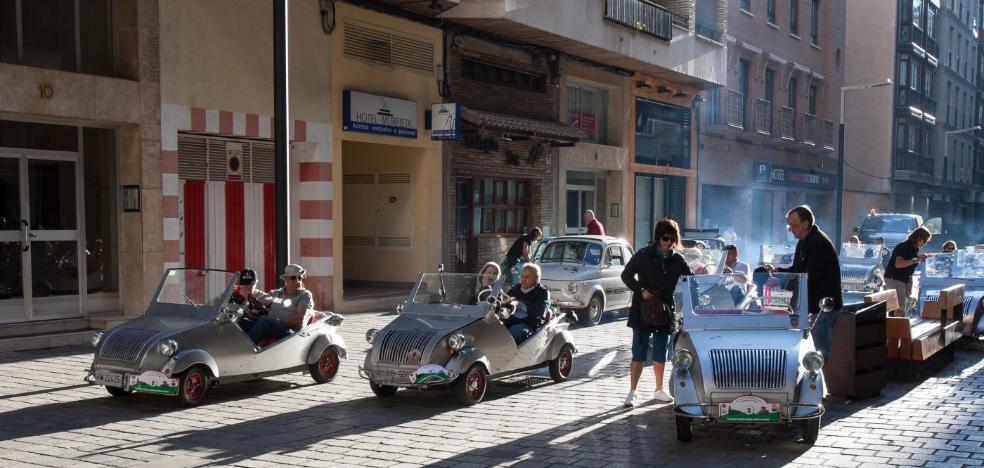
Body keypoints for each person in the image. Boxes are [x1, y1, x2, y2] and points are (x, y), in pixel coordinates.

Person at [621, 219, 693, 407]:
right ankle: (632, 392)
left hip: (665, 312)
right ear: (657, 237)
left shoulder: (678, 260)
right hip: (642, 311)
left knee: (661, 352)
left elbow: (691, 281)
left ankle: (659, 390)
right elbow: (626, 275)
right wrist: (641, 289)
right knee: (638, 352)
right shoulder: (643, 255)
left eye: (672, 239)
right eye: (665, 238)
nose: (668, 242)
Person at [764, 206, 842, 360]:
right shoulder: (803, 242)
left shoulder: (819, 243)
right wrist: (777, 271)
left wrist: (785, 291)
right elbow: (796, 270)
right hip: (807, 306)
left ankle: (817, 382)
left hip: (821, 307)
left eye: (793, 225)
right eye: (789, 226)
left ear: (806, 224)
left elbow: (809, 277)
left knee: (817, 353)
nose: (791, 230)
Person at [247, 264, 314, 346]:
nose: (298, 281)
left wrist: (278, 321)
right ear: (285, 280)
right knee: (245, 321)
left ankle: (243, 349)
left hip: (291, 333)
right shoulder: (275, 293)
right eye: (293, 278)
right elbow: (262, 302)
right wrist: (254, 308)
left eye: (300, 277)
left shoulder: (305, 295)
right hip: (273, 327)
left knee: (264, 321)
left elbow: (299, 318)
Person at [884, 227, 932, 312]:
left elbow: (909, 265)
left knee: (903, 305)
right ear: (919, 238)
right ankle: (897, 323)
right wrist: (916, 260)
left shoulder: (914, 249)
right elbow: (898, 264)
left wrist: (919, 259)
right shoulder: (904, 246)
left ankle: (898, 322)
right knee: (900, 306)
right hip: (894, 278)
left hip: (903, 279)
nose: (924, 244)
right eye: (924, 241)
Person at [501, 264, 550, 344]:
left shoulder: (543, 292)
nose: (523, 280)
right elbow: (505, 306)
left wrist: (518, 302)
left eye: (527, 277)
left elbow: (539, 312)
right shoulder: (515, 289)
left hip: (530, 326)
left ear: (536, 279)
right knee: (493, 330)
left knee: (513, 331)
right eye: (522, 276)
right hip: (510, 323)